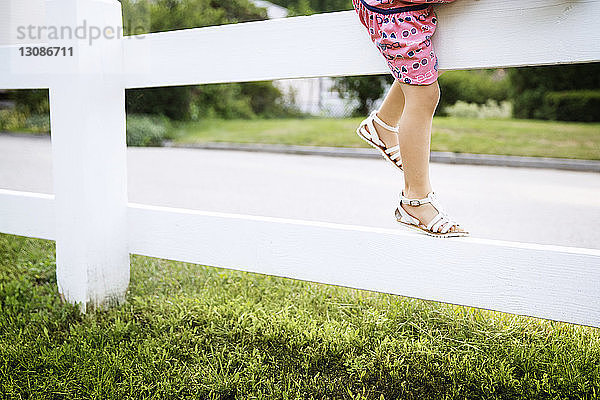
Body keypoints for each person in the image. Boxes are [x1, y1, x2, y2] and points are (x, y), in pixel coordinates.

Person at [352, 0, 469, 237]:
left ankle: (382, 124)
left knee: (432, 67)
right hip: (394, 11)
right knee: (424, 94)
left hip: (401, 9)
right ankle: (415, 198)